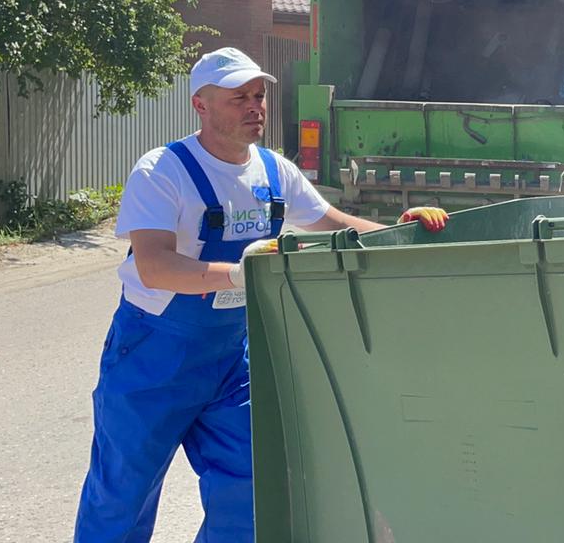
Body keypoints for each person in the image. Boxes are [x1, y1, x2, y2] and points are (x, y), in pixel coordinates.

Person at [74, 48, 448, 542]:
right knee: (123, 493)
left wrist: (397, 231)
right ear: (200, 105)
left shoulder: (275, 172)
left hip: (233, 357)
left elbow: (333, 225)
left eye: (259, 96)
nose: (255, 107)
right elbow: (155, 264)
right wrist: (237, 276)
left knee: (251, 488)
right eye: (238, 99)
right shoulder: (163, 171)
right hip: (153, 356)